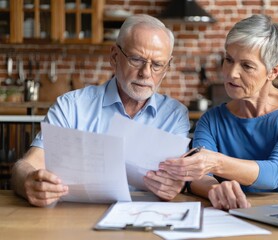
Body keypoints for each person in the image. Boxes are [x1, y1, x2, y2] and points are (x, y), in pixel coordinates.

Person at [11, 14, 190, 207]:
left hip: (145, 219)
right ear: (114, 56)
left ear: (167, 67)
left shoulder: (175, 115)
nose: (146, 73)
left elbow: (180, 180)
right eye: (136, 59)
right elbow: (26, 165)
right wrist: (28, 182)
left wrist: (176, 185)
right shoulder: (71, 106)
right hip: (75, 220)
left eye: (157, 65)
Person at [159, 14, 278, 210]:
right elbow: (198, 177)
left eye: (247, 65)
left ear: (273, 71)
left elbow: (275, 173)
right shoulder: (212, 120)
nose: (231, 73)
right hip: (237, 214)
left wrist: (215, 162)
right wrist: (214, 189)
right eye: (228, 59)